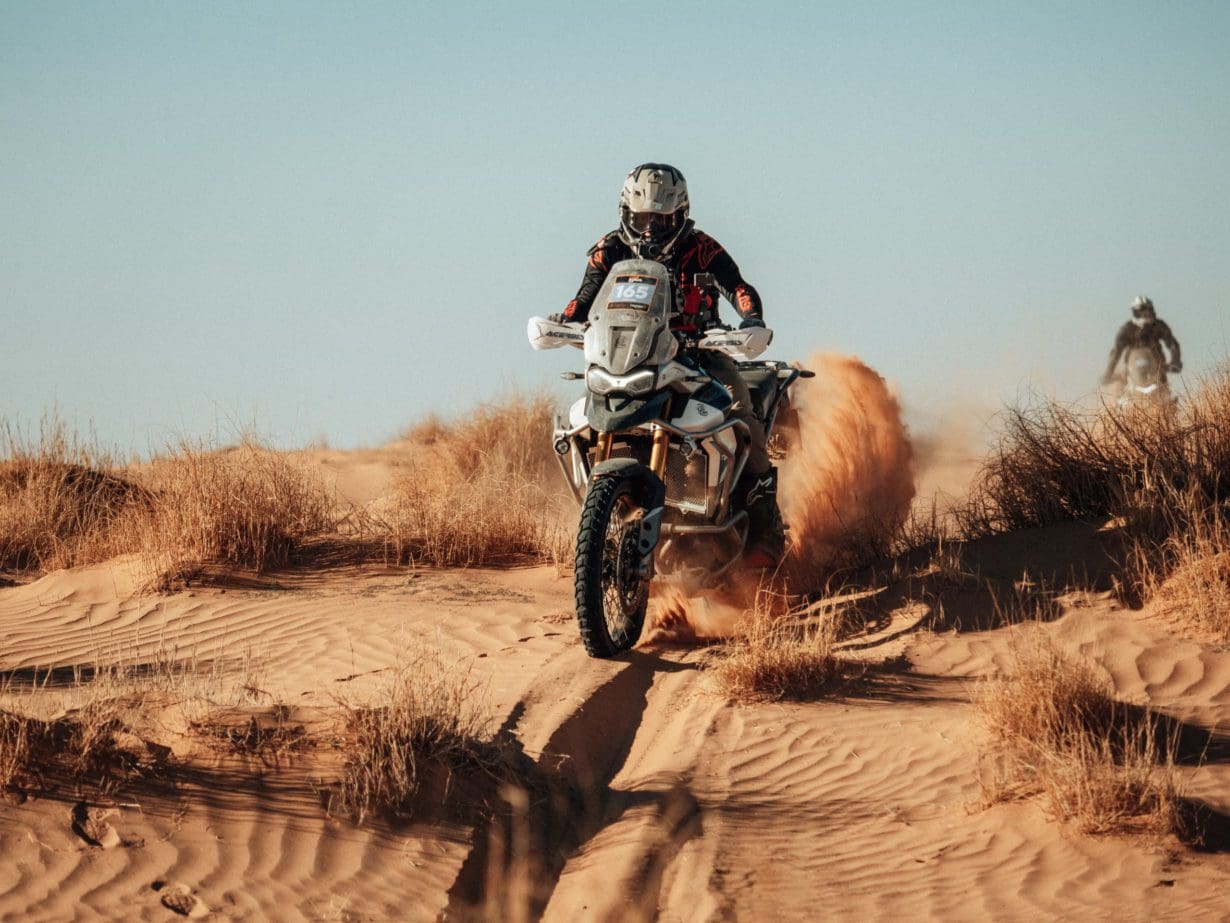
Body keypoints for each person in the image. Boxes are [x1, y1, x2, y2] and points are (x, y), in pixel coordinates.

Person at [554, 163, 785, 566]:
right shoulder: (609, 248)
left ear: (680, 214)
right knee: (580, 418)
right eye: (641, 218)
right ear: (625, 212)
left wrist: (750, 321)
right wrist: (566, 321)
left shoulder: (702, 247)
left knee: (739, 414)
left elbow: (740, 288)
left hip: (699, 352)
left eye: (660, 219)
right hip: (630, 355)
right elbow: (585, 296)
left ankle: (765, 530)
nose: (649, 229)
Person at [1101, 295, 1183, 386]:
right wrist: (1108, 373)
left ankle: (1166, 398)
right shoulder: (1127, 329)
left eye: (1149, 310)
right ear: (1136, 312)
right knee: (1120, 387)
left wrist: (1176, 361)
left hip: (1157, 367)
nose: (1146, 313)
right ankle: (1118, 398)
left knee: (1165, 392)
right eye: (1143, 310)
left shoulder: (1158, 325)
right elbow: (1116, 352)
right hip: (1131, 368)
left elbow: (1172, 344)